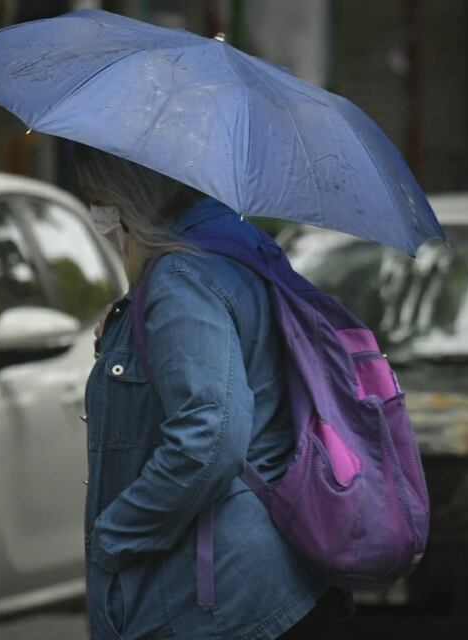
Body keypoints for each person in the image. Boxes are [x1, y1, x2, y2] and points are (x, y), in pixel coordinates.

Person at [77, 143, 352, 640]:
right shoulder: (235, 250)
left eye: (99, 199)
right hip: (264, 580)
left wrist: (113, 535)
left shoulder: (182, 279)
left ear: (128, 194)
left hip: (214, 601)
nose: (99, 216)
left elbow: (208, 437)